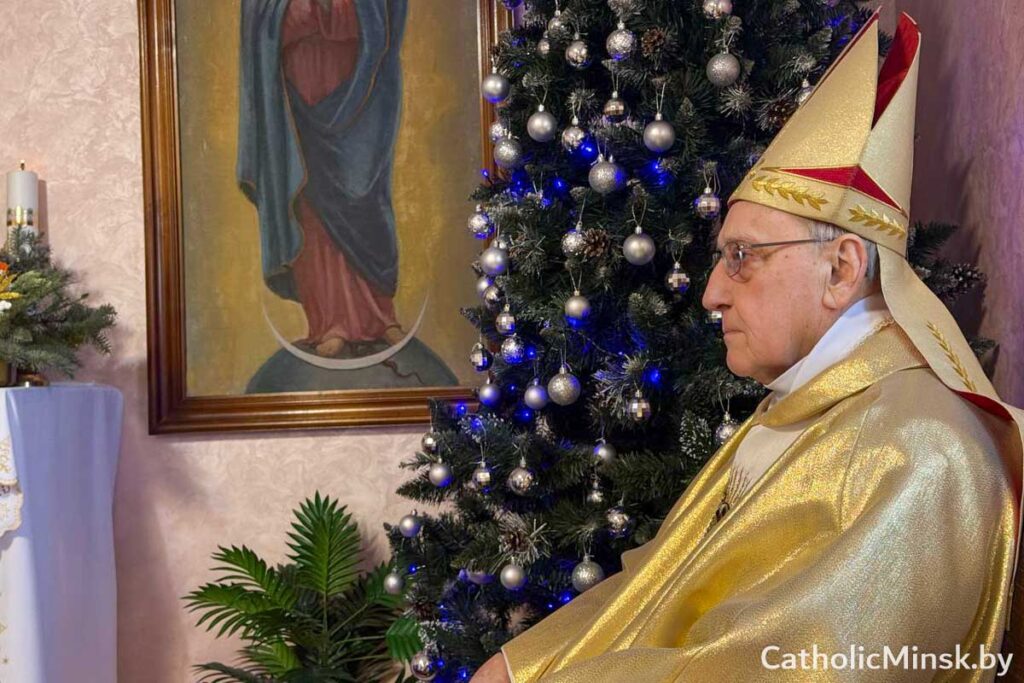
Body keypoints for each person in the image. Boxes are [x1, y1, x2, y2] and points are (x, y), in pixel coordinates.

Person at [473, 11, 1023, 682]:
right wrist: (517, 664)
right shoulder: (797, 408)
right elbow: (656, 583)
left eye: (742, 256)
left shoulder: (921, 447)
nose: (711, 294)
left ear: (841, 269)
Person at [238, 0, 409, 358]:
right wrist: (304, 12)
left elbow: (381, 19)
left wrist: (333, 12)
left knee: (365, 197)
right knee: (310, 204)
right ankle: (329, 322)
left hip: (360, 93)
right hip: (298, 96)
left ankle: (379, 315)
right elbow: (267, 20)